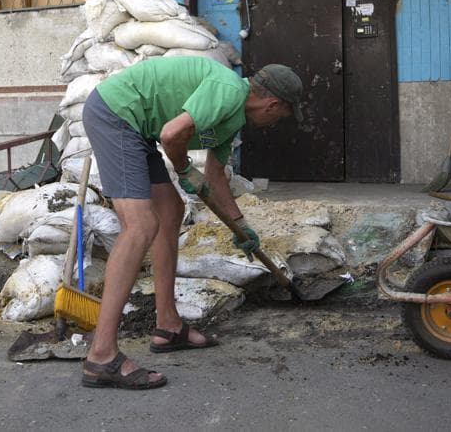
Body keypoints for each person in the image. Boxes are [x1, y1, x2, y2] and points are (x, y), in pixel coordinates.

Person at [79, 55, 303, 389]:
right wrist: (184, 168)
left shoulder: (231, 118)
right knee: (140, 226)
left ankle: (168, 326)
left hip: (138, 128)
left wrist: (241, 226)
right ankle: (102, 356)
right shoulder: (227, 91)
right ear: (272, 105)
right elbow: (172, 134)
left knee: (168, 211)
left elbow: (214, 176)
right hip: (116, 114)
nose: (276, 123)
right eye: (282, 116)